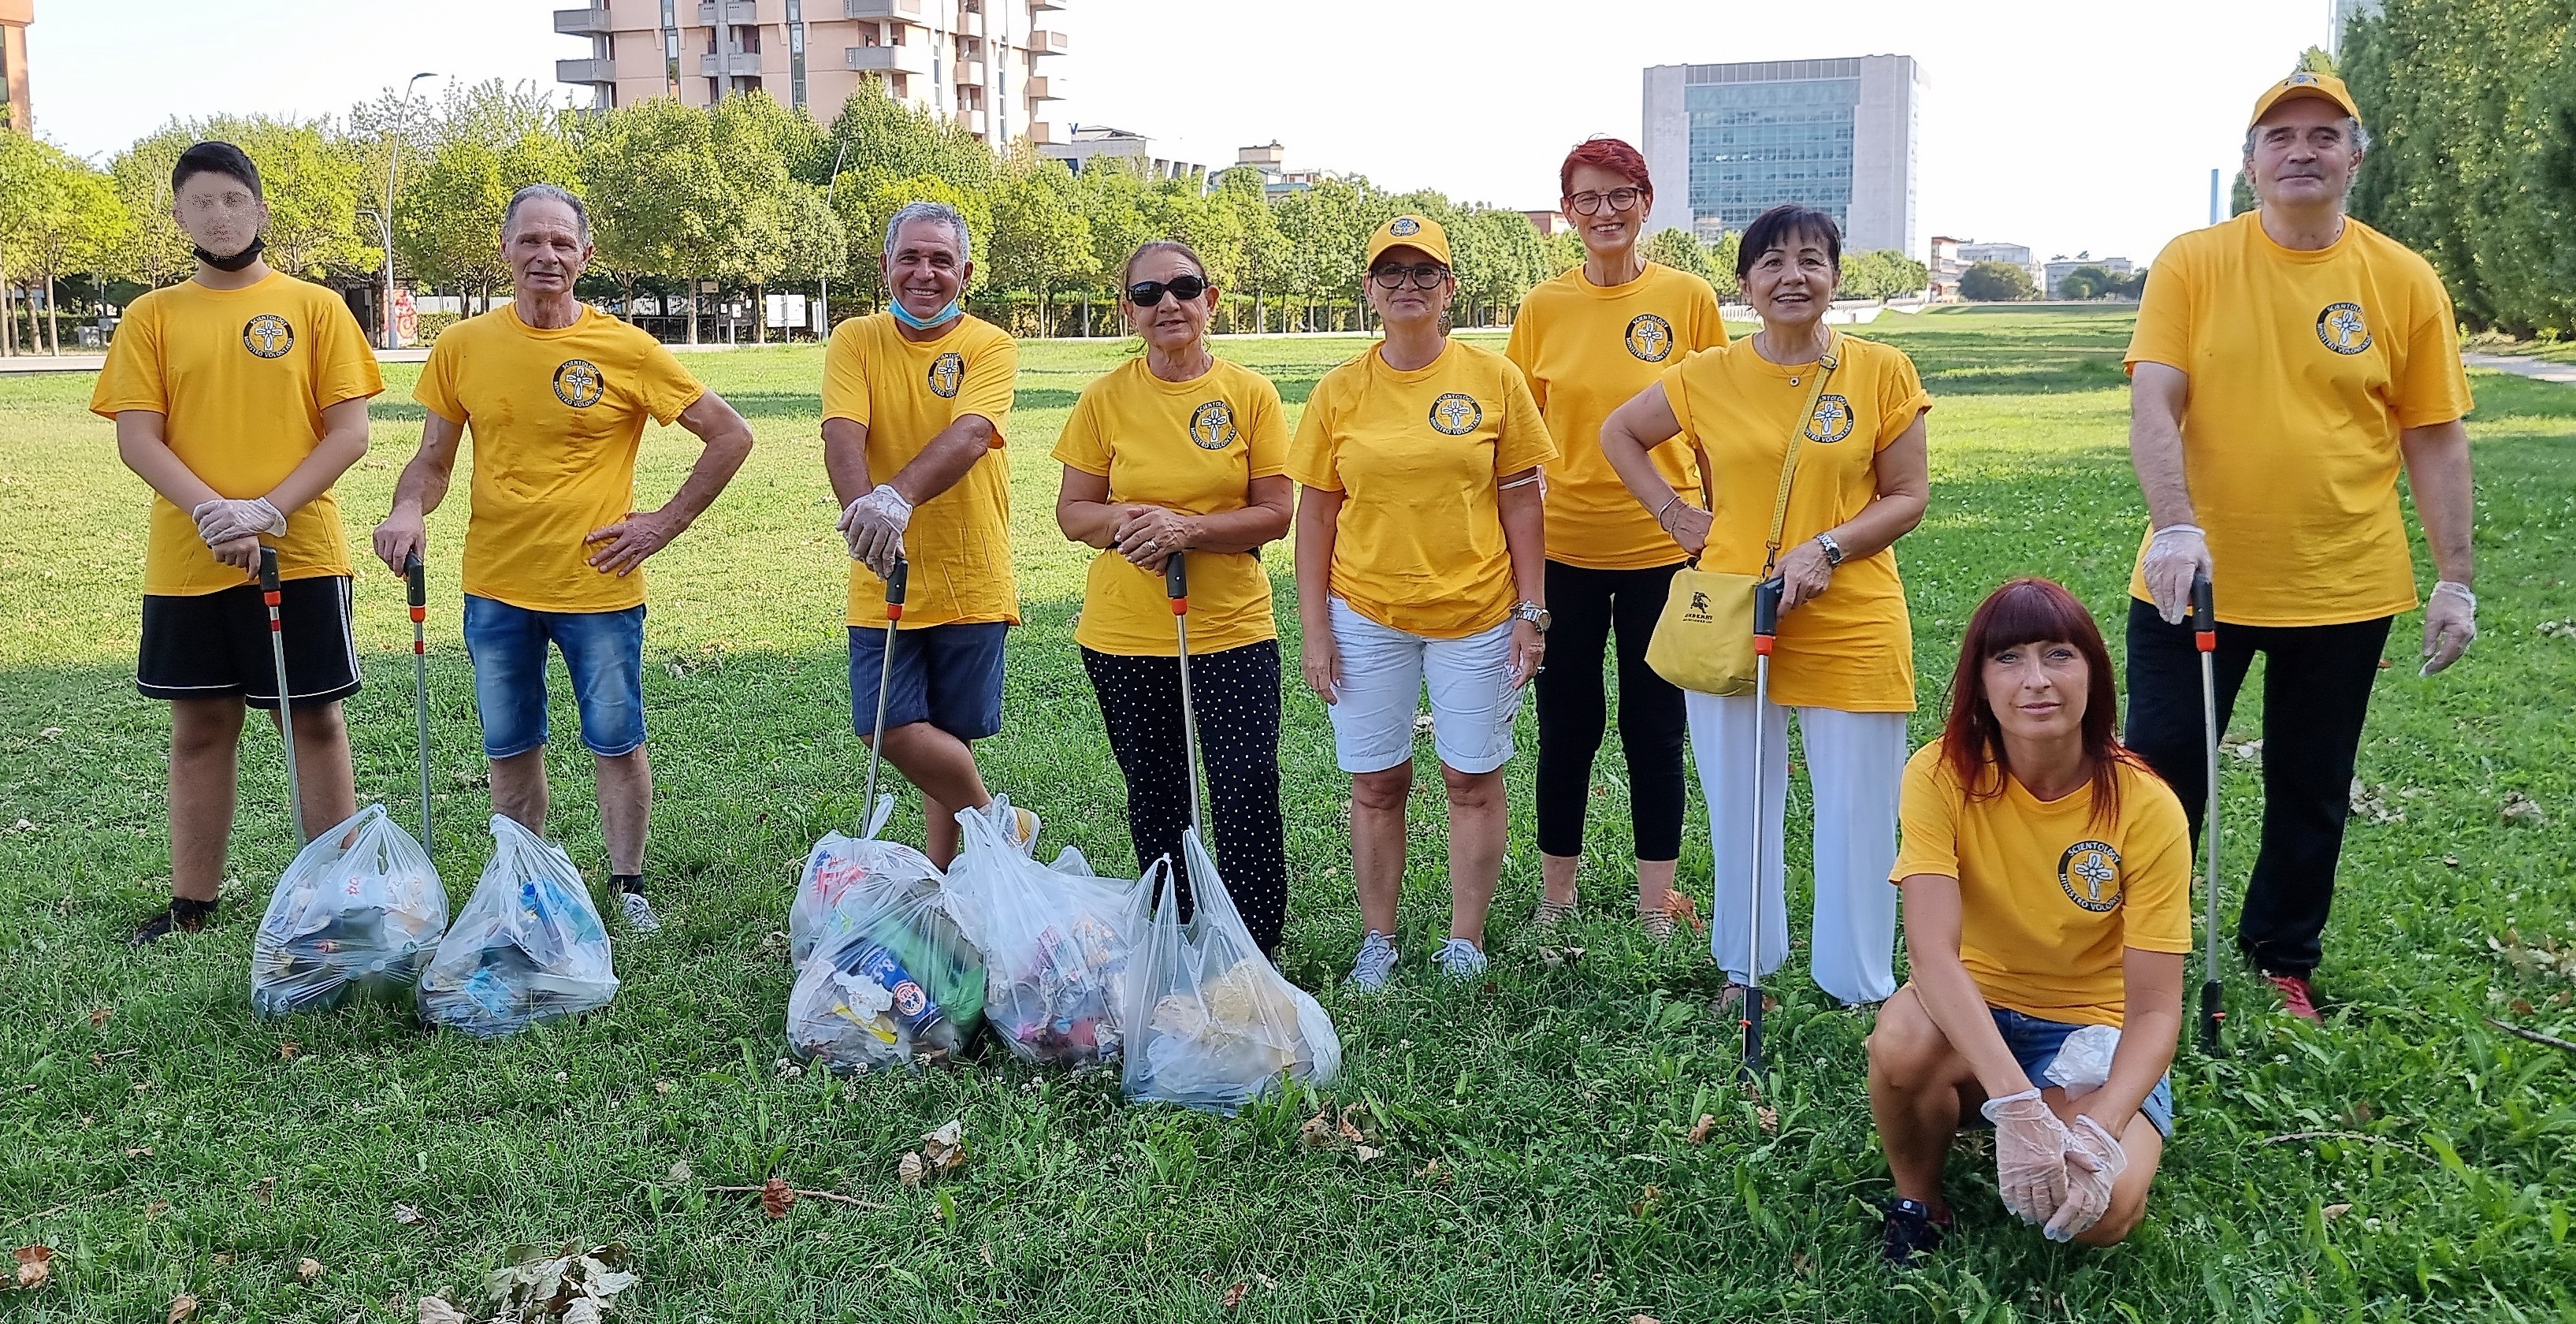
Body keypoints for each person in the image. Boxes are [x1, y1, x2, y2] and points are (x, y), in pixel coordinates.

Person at [2123, 71, 2477, 1023]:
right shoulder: (2193, 262)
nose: (2301, 151)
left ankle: (2281, 953)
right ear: (2249, 165)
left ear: (2354, 160)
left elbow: (2433, 433)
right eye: (2278, 137)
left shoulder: (2400, 279)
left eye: (2324, 135)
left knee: (2311, 782)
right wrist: (2175, 525)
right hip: (2192, 576)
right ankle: (2125, 948)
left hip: (2343, 578)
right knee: (2155, 769)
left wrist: (2455, 581)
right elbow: (2153, 396)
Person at [373, 184, 755, 935]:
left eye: (561, 243)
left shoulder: (626, 348)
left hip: (600, 586)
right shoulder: (463, 347)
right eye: (531, 241)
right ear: (507, 250)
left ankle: (627, 886)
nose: (546, 255)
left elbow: (730, 434)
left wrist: (662, 525)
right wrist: (407, 507)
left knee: (615, 739)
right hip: (497, 584)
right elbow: (432, 459)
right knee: (509, 745)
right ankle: (526, 882)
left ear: (585, 256)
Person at [1598, 203, 1930, 1010]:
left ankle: (1856, 982)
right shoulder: (1706, 374)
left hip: (1850, 615)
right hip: (1733, 615)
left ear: (1834, 276)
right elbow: (1618, 434)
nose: (1793, 276)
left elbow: (1908, 495)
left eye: (1810, 260)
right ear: (1744, 284)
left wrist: (1829, 548)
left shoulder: (1878, 370)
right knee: (1741, 799)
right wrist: (1675, 516)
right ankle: (1746, 966)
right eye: (1772, 263)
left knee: (1857, 808)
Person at [95, 141, 383, 944]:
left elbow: (349, 433)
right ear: (179, 216)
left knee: (312, 721)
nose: (218, 216)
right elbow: (138, 439)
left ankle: (335, 896)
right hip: (191, 559)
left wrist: (264, 510)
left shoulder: (316, 307)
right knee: (201, 727)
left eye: (232, 199)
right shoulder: (152, 316)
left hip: (300, 552)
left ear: (258, 208)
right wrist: (214, 513)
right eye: (199, 203)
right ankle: (193, 904)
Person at [1866, 578, 2188, 1263]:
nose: (2035, 680)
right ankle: (1919, 1200)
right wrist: (2016, 1105)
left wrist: (2097, 1130)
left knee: (2103, 1212)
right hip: (1975, 1007)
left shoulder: (2147, 805)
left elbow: (2157, 1011)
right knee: (1899, 1039)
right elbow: (1930, 956)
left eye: (2058, 655)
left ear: (2093, 675)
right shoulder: (1938, 774)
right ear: (1978, 683)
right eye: (2008, 658)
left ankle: (2067, 1118)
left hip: (2091, 1028)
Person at [1289, 214, 1557, 989]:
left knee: (1470, 778)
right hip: (1365, 613)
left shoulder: (1492, 379)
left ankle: (1463, 940)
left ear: (1449, 288)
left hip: (1477, 613)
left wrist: (1530, 613)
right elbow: (1316, 517)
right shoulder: (1340, 391)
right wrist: (1315, 630)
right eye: (1390, 273)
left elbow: (1521, 505)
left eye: (1423, 273)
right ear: (1369, 289)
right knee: (1376, 782)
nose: (1407, 286)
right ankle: (1378, 938)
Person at [1504, 137, 1728, 940]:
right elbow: (1517, 448)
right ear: (1565, 212)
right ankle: (1554, 901)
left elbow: (1715, 426)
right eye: (1586, 198)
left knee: (1653, 726)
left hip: (1661, 554)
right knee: (1566, 727)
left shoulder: (1687, 300)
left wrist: (1720, 529)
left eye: (1618, 195)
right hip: (1562, 550)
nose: (1603, 212)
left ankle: (1652, 906)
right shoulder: (1541, 308)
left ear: (1645, 202)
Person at [1054, 240, 1295, 953]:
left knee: (1244, 786)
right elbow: (1074, 513)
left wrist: (1187, 528)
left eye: (1184, 287)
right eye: (1149, 293)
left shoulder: (1250, 395)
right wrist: (1135, 523)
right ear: (1128, 311)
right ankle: (1176, 937)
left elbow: (1275, 512)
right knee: (1158, 797)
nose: (1169, 304)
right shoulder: (1104, 397)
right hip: (1126, 636)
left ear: (1210, 301)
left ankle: (1253, 946)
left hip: (1232, 630)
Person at [825, 200, 1039, 868]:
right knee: (883, 725)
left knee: (949, 736)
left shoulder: (989, 344)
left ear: (965, 271)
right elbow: (841, 433)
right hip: (880, 561)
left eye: (940, 259)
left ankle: (949, 875)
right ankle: (999, 826)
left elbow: (974, 432)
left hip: (967, 568)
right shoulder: (855, 338)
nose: (924, 272)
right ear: (885, 265)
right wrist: (869, 515)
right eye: (910, 257)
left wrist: (899, 496)